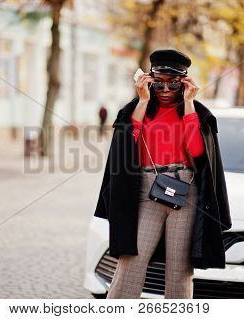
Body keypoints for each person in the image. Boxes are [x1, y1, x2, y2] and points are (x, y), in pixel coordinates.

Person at [93, 49, 232, 299]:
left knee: (180, 270)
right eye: (159, 82)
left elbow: (197, 152)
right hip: (147, 191)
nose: (165, 89)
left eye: (173, 83)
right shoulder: (136, 109)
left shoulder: (197, 113)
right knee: (131, 262)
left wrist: (189, 102)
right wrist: (143, 101)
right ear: (148, 79)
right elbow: (126, 147)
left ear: (184, 83)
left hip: (186, 192)